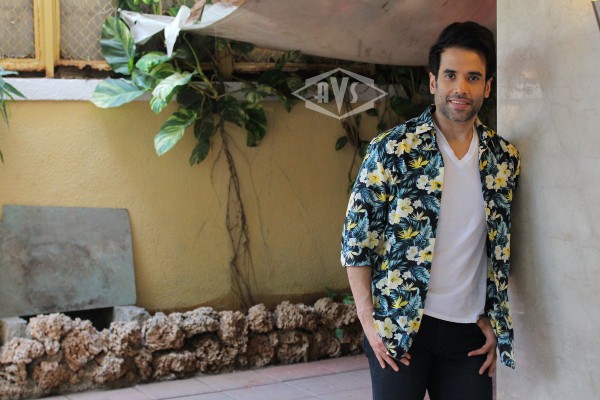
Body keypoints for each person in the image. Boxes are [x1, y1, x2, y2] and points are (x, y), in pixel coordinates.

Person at [341, 21, 520, 400]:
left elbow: (499, 248)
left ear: (488, 87)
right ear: (434, 82)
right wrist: (368, 321)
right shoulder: (392, 149)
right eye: (451, 75)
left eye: (473, 78)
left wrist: (495, 317)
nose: (461, 88)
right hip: (401, 326)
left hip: (468, 334)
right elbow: (357, 241)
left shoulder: (503, 160)